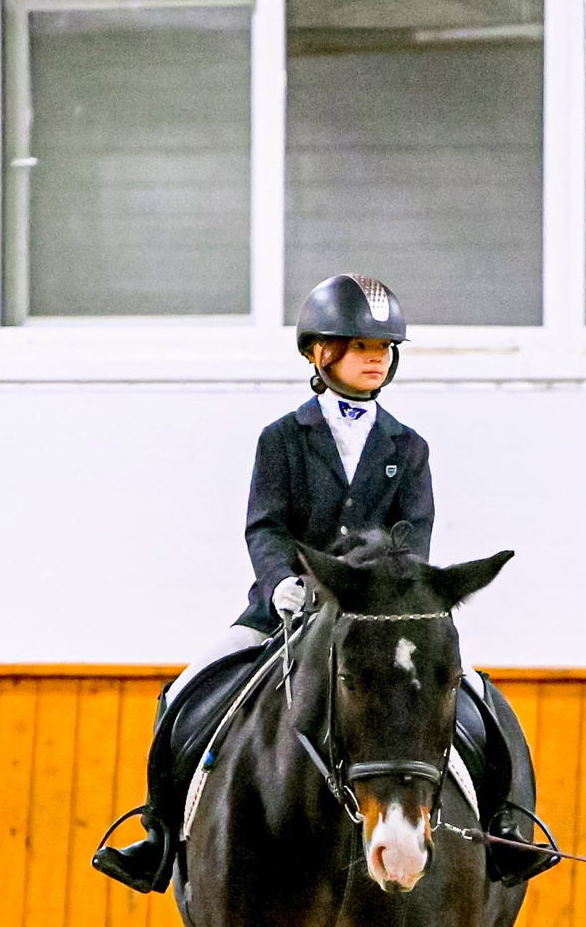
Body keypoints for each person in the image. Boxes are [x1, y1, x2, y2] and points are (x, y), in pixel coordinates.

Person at [93, 274, 433, 892]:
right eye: (359, 345)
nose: (376, 357)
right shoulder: (281, 438)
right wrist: (280, 581)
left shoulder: (408, 447)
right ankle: (157, 839)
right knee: (183, 694)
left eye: (384, 347)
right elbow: (265, 526)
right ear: (318, 353)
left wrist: (387, 596)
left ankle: (504, 830)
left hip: (378, 622)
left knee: (475, 699)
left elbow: (415, 541)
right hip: (284, 610)